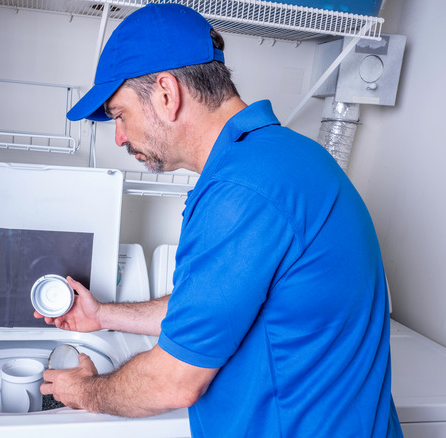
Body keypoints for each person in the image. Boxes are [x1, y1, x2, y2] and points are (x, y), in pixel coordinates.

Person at [35, 3, 403, 437]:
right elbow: (216, 307)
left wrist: (86, 391)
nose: (119, 136)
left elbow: (172, 382)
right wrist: (104, 316)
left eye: (120, 114)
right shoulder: (283, 158)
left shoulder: (244, 188)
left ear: (166, 94)